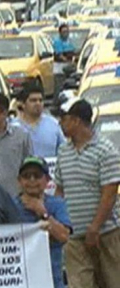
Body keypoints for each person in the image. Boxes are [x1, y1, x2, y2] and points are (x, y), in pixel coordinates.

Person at [55, 99, 120, 288]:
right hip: (74, 236)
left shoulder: (105, 150)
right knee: (80, 283)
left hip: (106, 233)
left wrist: (95, 227)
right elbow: (60, 189)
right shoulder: (63, 151)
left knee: (113, 281)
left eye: (64, 119)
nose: (61, 124)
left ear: (76, 120)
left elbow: (109, 194)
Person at [13, 156, 71, 288]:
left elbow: (64, 236)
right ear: (19, 181)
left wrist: (43, 213)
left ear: (47, 180)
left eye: (37, 175)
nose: (32, 180)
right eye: (26, 176)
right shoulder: (9, 206)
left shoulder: (57, 204)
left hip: (52, 280)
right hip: (20, 280)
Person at [15, 85, 66, 158]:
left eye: (40, 100)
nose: (38, 103)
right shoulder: (13, 127)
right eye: (33, 100)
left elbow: (63, 150)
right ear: (23, 104)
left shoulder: (53, 125)